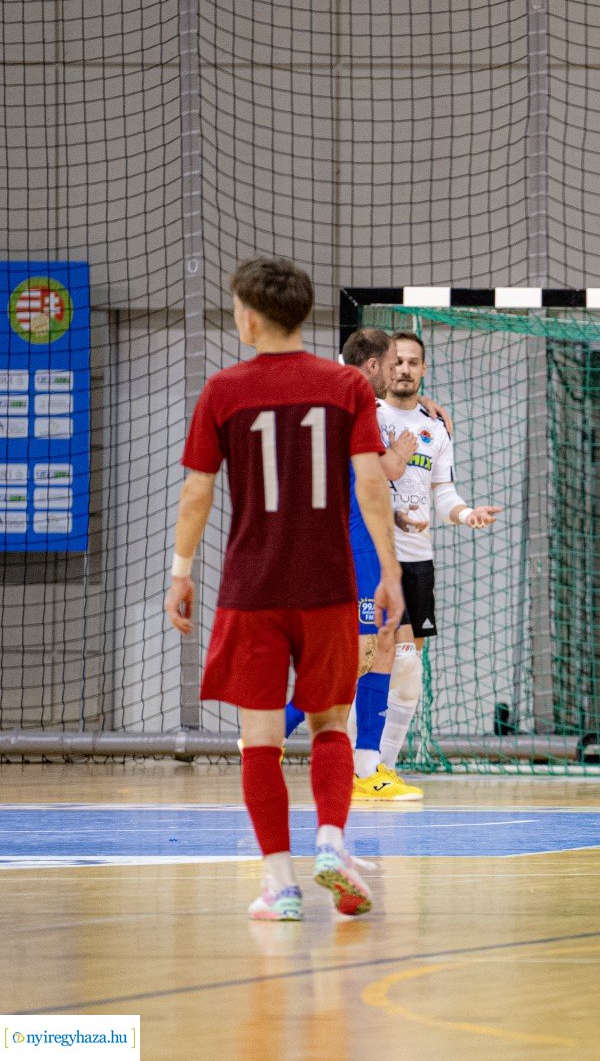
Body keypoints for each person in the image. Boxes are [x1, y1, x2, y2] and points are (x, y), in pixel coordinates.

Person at [164, 256, 403, 921]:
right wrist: (387, 571)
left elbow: (196, 491)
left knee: (261, 739)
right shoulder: (345, 387)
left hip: (252, 588)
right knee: (331, 723)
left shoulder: (224, 389)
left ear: (247, 314)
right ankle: (331, 841)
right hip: (328, 584)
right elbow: (371, 482)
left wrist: (180, 572)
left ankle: (281, 884)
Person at [280, 327, 424, 801]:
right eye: (390, 363)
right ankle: (276, 734)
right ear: (372, 367)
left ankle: (366, 765)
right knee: (356, 656)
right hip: (348, 545)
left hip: (327, 540)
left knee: (377, 647)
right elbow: (375, 471)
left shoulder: (323, 392)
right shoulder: (352, 403)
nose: (395, 372)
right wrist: (398, 458)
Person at [375, 330, 501, 791]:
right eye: (398, 362)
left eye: (413, 362)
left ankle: (381, 768)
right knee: (372, 659)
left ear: (423, 369)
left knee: (408, 667)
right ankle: (354, 763)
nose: (405, 369)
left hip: (418, 562)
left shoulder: (436, 427)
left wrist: (467, 514)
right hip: (372, 557)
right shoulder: (367, 415)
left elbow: (442, 492)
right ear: (385, 367)